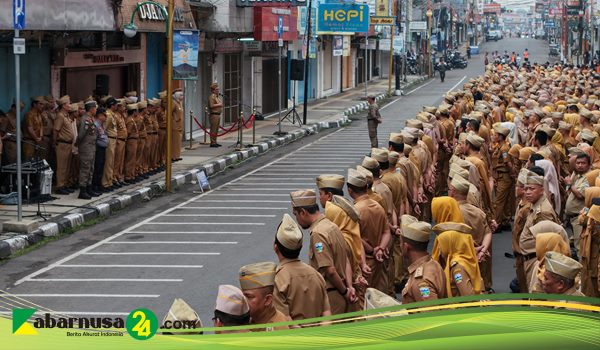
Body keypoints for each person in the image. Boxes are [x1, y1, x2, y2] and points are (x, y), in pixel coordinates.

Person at [290, 189, 355, 314]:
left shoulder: (318, 234)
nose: (296, 219)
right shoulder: (332, 226)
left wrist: (345, 292)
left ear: (303, 212)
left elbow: (329, 270)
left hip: (332, 296)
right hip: (342, 290)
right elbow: (345, 259)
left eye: (296, 214)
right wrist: (349, 287)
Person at [272, 213, 331, 320]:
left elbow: (285, 319)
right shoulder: (316, 274)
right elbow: (326, 312)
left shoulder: (278, 280)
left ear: (275, 247)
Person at [346, 168, 391, 295]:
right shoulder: (378, 206)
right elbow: (386, 232)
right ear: (366, 187)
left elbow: (356, 238)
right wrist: (380, 248)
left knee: (364, 298)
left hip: (364, 262)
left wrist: (372, 249)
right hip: (379, 260)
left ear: (350, 190)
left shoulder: (354, 211)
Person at [519, 167, 560, 287]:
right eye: (525, 189)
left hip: (537, 261)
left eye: (532, 189)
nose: (527, 192)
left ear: (542, 190)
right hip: (531, 258)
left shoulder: (542, 211)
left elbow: (548, 244)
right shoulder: (535, 206)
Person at [399, 215, 446, 303]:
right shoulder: (433, 264)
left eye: (400, 243)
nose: (400, 246)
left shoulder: (420, 281)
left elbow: (432, 314)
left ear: (405, 247)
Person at [238, 261, 290, 331]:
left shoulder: (276, 329)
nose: (243, 300)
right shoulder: (253, 319)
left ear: (268, 300)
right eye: (242, 295)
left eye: (249, 296)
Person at [564, 153, 591, 259]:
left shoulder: (588, 178)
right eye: (578, 163)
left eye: (583, 163)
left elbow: (580, 195)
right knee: (578, 246)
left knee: (581, 248)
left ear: (589, 165)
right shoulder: (578, 175)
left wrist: (570, 184)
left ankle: (583, 274)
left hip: (580, 218)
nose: (580, 165)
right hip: (573, 218)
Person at [53, 96, 76, 195]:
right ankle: (60, 186)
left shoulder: (66, 115)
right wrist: (54, 142)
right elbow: (56, 130)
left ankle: (65, 184)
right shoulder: (60, 116)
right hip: (62, 143)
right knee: (62, 166)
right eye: (68, 104)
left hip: (68, 144)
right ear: (63, 105)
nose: (70, 105)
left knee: (67, 166)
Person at [76, 100, 98, 199]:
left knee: (91, 168)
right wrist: (78, 145)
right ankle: (82, 190)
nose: (96, 110)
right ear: (91, 109)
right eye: (95, 108)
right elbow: (81, 135)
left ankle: (89, 188)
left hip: (91, 147)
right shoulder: (85, 119)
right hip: (86, 147)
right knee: (85, 168)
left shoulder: (91, 118)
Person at [23, 97, 45, 161]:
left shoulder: (39, 114)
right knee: (28, 161)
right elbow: (30, 129)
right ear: (34, 104)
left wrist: (40, 137)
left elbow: (41, 127)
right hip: (29, 141)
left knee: (36, 161)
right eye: (40, 104)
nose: (42, 106)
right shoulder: (29, 114)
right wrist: (36, 139)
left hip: (37, 141)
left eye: (42, 104)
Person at [92, 108, 108, 194]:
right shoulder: (95, 125)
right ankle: (95, 186)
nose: (105, 117)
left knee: (101, 167)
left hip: (102, 148)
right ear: (99, 116)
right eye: (104, 115)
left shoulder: (102, 124)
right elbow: (94, 138)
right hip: (98, 148)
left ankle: (99, 184)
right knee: (97, 167)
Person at [208, 83, 223, 148]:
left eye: (218, 89)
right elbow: (211, 106)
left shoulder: (216, 97)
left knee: (216, 129)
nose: (218, 91)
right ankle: (212, 142)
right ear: (213, 90)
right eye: (216, 89)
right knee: (213, 129)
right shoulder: (211, 97)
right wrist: (219, 105)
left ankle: (215, 141)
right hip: (214, 115)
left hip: (218, 114)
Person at [171, 89, 184, 161]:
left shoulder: (180, 103)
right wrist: (174, 121)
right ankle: (173, 156)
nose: (182, 97)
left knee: (178, 142)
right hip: (175, 125)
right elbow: (170, 113)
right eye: (181, 95)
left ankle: (177, 155)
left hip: (180, 125)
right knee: (175, 142)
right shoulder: (173, 103)